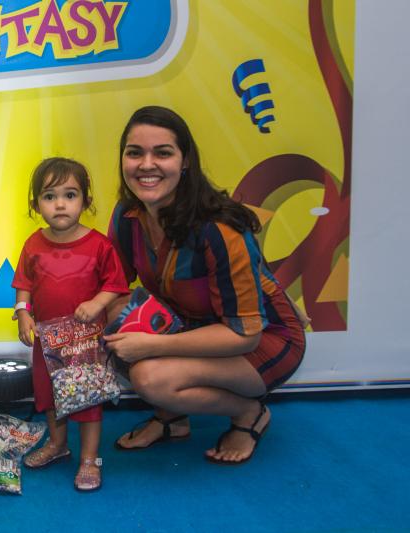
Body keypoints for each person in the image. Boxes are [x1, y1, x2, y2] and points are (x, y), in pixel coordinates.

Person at [104, 106, 306, 464]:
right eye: (135, 153)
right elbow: (115, 288)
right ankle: (172, 418)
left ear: (185, 162)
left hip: (263, 338)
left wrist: (151, 345)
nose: (146, 164)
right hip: (194, 324)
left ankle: (248, 413)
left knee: (150, 378)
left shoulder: (218, 229)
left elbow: (246, 334)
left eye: (162, 153)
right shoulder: (126, 215)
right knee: (115, 314)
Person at [12, 157, 129, 491]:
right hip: (47, 343)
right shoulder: (33, 244)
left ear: (86, 201)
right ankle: (57, 444)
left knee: (88, 398)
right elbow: (24, 284)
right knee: (49, 395)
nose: (60, 204)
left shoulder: (99, 245)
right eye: (49, 196)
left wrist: (97, 304)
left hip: (85, 343)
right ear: (36, 204)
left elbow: (115, 284)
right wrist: (23, 313)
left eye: (70, 195)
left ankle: (90, 459)